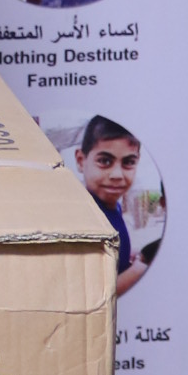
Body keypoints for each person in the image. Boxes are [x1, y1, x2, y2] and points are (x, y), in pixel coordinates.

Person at [71, 115, 149, 294]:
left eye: (128, 162)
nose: (117, 175)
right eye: (105, 161)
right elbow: (96, 294)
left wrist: (127, 255)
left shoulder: (113, 206)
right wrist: (140, 269)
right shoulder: (85, 219)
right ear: (81, 160)